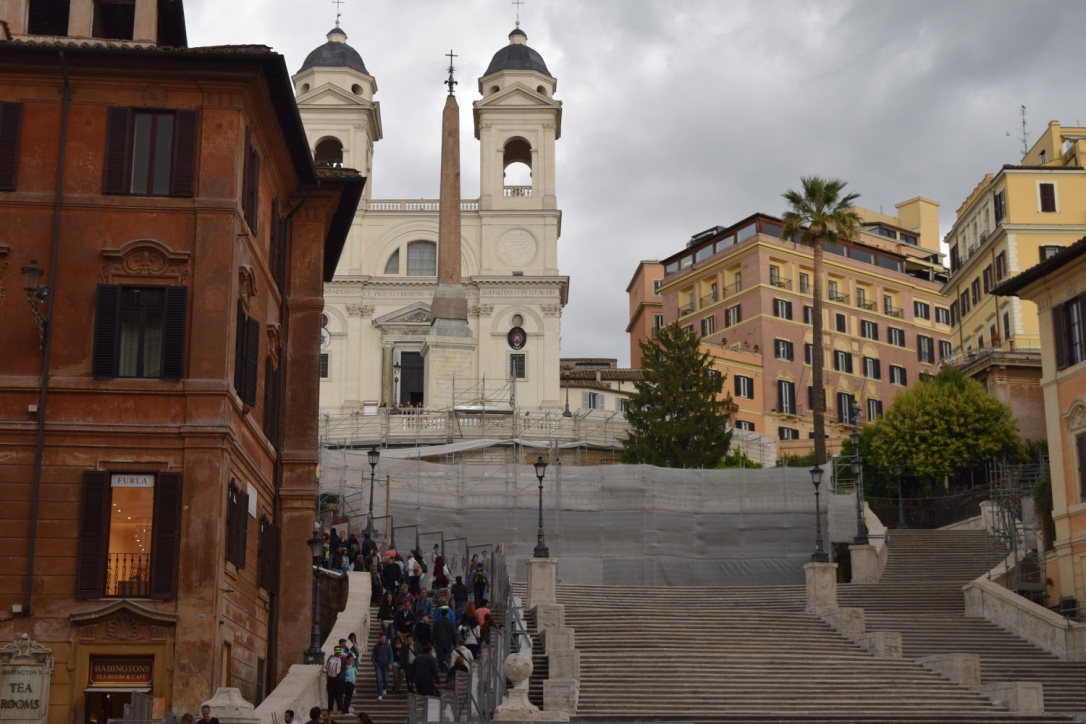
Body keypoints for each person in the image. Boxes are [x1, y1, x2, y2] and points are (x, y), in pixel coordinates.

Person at [370, 633, 394, 701]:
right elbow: (373, 655)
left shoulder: (388, 646)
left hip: (386, 665)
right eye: (382, 638)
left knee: (386, 679)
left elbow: (391, 655)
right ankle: (379, 694)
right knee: (379, 679)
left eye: (384, 638)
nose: (383, 640)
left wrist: (390, 663)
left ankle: (384, 688)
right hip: (378, 665)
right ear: (379, 638)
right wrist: (375, 663)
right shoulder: (376, 646)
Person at [432, 606, 457, 670]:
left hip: (439, 640)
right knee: (447, 652)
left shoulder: (437, 623)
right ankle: (445, 661)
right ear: (447, 614)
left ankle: (441, 667)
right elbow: (453, 633)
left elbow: (434, 632)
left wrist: (432, 642)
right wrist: (454, 643)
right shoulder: (450, 623)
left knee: (440, 654)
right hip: (447, 640)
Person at [325, 646, 345, 713]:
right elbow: (345, 668)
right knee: (339, 696)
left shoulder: (331, 657)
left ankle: (330, 710)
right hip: (340, 680)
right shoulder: (343, 659)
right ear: (340, 651)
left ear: (334, 651)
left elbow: (327, 666)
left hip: (330, 680)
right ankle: (339, 710)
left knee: (331, 696)